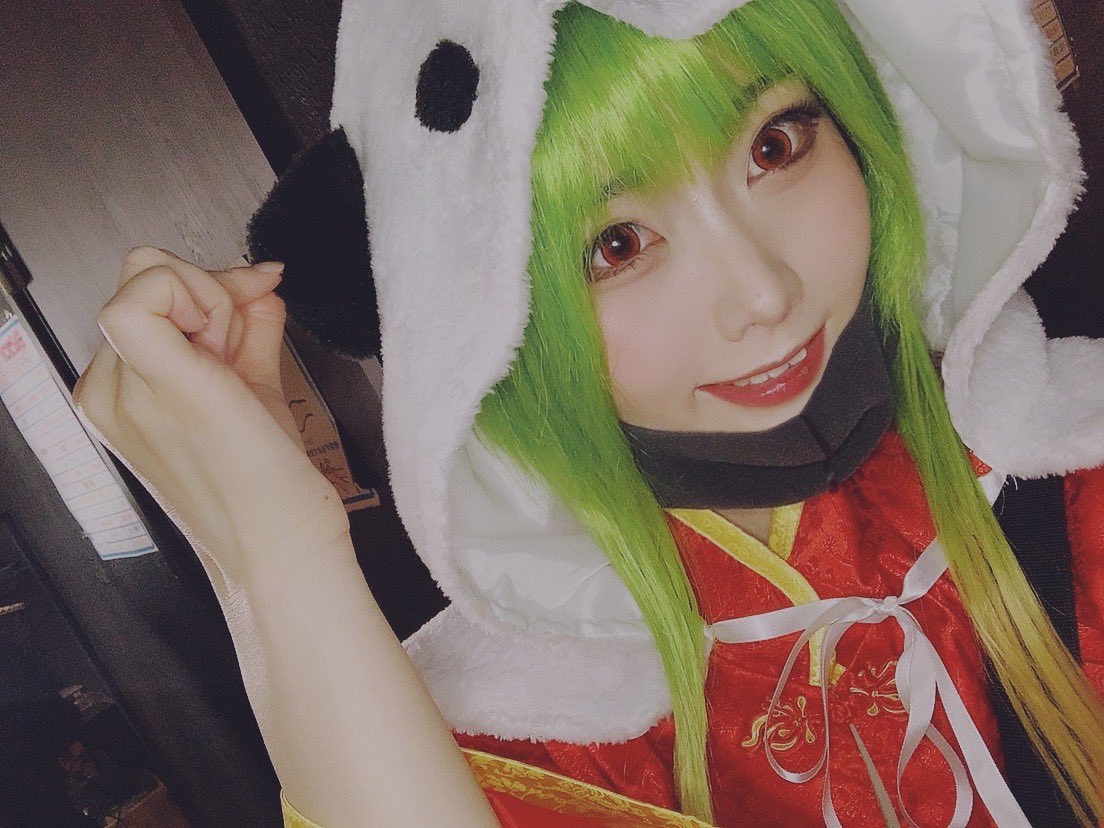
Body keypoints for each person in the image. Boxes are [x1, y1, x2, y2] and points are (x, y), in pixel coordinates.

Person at [73, 0, 1104, 825]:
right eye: (618, 245)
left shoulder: (1069, 460)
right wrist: (274, 557)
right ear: (488, 320)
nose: (763, 294)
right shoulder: (538, 730)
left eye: (775, 145)